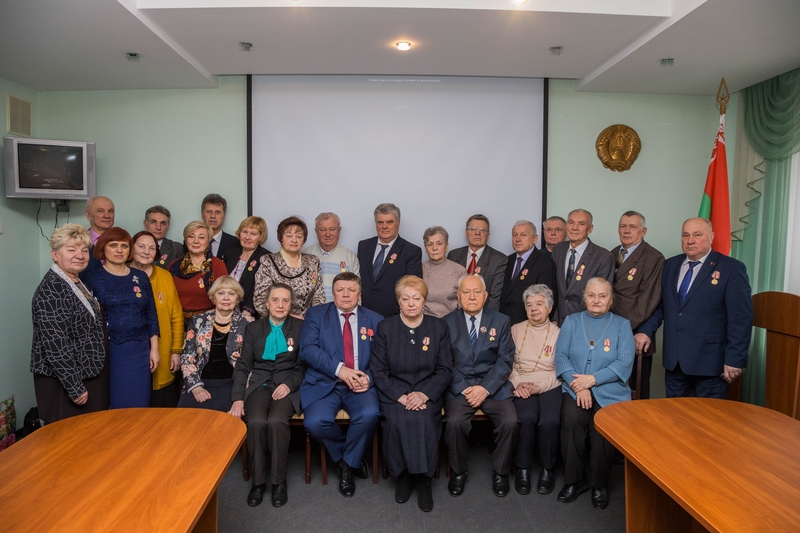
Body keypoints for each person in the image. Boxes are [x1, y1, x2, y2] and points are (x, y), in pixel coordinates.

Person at [639, 218, 753, 399]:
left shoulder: (731, 269)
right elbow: (662, 306)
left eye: (697, 235)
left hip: (711, 364)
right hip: (675, 362)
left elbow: (740, 319)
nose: (690, 240)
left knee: (708, 417)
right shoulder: (670, 265)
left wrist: (735, 359)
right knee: (674, 415)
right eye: (686, 235)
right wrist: (646, 331)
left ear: (711, 237)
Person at [370, 276, 453, 512]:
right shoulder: (386, 328)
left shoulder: (438, 327)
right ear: (398, 301)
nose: (411, 303)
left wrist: (424, 394)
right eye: (405, 298)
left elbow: (445, 369)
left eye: (416, 298)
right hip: (395, 392)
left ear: (424, 300)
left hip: (428, 391)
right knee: (398, 419)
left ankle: (424, 480)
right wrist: (401, 396)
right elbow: (378, 370)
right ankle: (403, 476)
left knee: (424, 419)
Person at [299, 272, 383, 498]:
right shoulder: (316, 315)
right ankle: (350, 458)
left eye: (351, 290)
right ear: (333, 294)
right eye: (340, 290)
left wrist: (369, 378)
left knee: (369, 414)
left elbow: (383, 359)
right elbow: (307, 349)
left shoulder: (375, 319)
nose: (346, 294)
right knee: (315, 422)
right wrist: (340, 370)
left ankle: (346, 465)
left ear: (359, 294)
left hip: (360, 384)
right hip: (325, 382)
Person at [554, 277, 634, 509]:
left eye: (602, 296)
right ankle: (574, 480)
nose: (596, 300)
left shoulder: (622, 325)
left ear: (611, 300)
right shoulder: (571, 322)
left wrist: (592, 380)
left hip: (610, 391)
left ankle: (599, 483)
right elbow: (561, 357)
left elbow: (624, 363)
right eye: (591, 295)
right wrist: (578, 384)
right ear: (584, 298)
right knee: (571, 420)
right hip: (575, 388)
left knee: (602, 427)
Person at [230, 283, 305, 508]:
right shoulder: (254, 328)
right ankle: (259, 482)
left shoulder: (300, 327)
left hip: (287, 383)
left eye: (285, 300)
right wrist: (237, 398)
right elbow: (243, 365)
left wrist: (289, 385)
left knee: (276, 422)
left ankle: (279, 482)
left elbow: (304, 365)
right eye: (275, 300)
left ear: (290, 304)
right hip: (260, 383)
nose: (280, 305)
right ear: (267, 303)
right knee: (255, 422)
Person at [443, 275, 518, 498]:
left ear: (485, 296)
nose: (472, 297)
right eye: (466, 292)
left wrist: (485, 388)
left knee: (510, 422)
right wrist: (465, 387)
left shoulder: (501, 321)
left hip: (493, 385)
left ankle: (500, 472)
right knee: (454, 422)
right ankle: (458, 472)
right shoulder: (446, 323)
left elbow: (505, 359)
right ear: (458, 297)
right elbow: (444, 362)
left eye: (477, 292)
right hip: (461, 386)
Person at [31, 224, 109, 424]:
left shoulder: (74, 281)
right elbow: (55, 344)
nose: (80, 255)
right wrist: (74, 387)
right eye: (71, 249)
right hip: (66, 382)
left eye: (84, 250)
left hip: (87, 374)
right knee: (67, 438)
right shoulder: (51, 290)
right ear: (55, 254)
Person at [81, 227, 159, 409]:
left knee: (139, 403)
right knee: (115, 404)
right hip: (108, 352)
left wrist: (154, 349)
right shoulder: (91, 278)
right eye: (113, 245)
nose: (119, 250)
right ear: (103, 247)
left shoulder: (140, 277)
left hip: (140, 351)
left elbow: (151, 314)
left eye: (124, 246)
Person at [509, 284, 562, 496]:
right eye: (529, 305)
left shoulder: (559, 333)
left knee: (550, 421)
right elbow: (507, 364)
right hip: (521, 383)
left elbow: (561, 369)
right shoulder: (515, 330)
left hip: (549, 383)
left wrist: (540, 387)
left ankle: (547, 469)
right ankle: (522, 468)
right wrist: (518, 383)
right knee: (526, 417)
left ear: (550, 307)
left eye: (539, 304)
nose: (534, 309)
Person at [609, 211, 664, 399]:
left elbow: (647, 301)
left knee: (635, 397)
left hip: (634, 335)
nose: (626, 231)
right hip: (608, 336)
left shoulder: (653, 257)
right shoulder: (611, 254)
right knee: (610, 393)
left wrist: (620, 331)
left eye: (632, 227)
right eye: (622, 226)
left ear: (643, 231)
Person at [129, 231, 185, 407]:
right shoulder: (122, 275)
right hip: (130, 352)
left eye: (152, 248)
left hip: (163, 350)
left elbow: (176, 316)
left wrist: (176, 351)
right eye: (141, 246)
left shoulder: (165, 276)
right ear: (131, 248)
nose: (146, 252)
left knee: (162, 407)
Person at [179, 276, 248, 412]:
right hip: (200, 381)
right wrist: (196, 387)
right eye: (221, 293)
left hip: (232, 384)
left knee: (222, 421)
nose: (226, 298)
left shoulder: (246, 323)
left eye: (231, 293)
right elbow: (187, 357)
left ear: (238, 298)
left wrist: (241, 393)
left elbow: (251, 361)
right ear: (213, 297)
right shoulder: (198, 321)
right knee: (184, 417)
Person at [357, 203, 423, 317]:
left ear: (398, 223)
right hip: (364, 313)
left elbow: (412, 287)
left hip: (393, 316)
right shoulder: (364, 246)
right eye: (380, 222)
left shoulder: (411, 251)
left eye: (389, 222)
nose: (384, 226)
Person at [253, 216, 325, 319]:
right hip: (275, 322)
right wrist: (292, 319)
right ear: (281, 239)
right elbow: (260, 301)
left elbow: (319, 297)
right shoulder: (268, 261)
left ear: (304, 240)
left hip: (307, 321)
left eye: (299, 236)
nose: (294, 240)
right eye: (289, 236)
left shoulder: (313, 261)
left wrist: (309, 319)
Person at [552, 209, 615, 323]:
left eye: (581, 224)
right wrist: (555, 319)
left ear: (590, 229)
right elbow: (555, 290)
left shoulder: (603, 257)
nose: (574, 228)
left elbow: (602, 297)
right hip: (558, 322)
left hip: (586, 323)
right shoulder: (558, 250)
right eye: (571, 222)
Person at [499, 220, 558, 326]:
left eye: (523, 235)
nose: (518, 239)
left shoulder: (545, 263)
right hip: (504, 323)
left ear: (535, 238)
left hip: (529, 325)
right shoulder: (507, 260)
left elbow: (546, 300)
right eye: (515, 235)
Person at [169, 220, 229, 324]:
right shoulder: (174, 266)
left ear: (208, 240)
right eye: (191, 236)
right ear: (186, 240)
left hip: (208, 322)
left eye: (201, 237)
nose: (196, 241)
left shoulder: (218, 265)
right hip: (177, 321)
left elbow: (225, 299)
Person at [447, 214, 507, 311]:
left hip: (483, 314)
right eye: (473, 229)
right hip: (455, 314)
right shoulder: (453, 255)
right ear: (466, 234)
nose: (477, 233)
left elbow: (495, 296)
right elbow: (449, 291)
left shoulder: (499, 259)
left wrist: (488, 318)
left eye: (482, 230)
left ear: (488, 235)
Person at [222, 216, 272, 322]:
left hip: (250, 315)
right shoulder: (229, 254)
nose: (247, 237)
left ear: (260, 237)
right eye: (244, 232)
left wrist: (247, 312)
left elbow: (262, 289)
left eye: (253, 234)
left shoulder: (266, 258)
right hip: (225, 310)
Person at [303, 212, 361, 302]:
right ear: (316, 231)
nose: (328, 234)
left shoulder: (350, 257)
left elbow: (356, 291)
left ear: (339, 230)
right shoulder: (305, 255)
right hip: (312, 309)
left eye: (332, 229)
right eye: (323, 230)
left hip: (339, 310)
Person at [421, 226, 466, 318]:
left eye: (439, 244)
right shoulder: (419, 269)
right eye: (430, 244)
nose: (434, 248)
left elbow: (464, 300)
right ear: (425, 248)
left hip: (452, 320)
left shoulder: (459, 270)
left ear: (446, 247)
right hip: (424, 320)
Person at [84, 196, 115, 274]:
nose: (107, 215)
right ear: (88, 215)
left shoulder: (123, 241)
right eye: (100, 211)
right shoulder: (78, 241)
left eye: (110, 211)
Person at [201, 193, 238, 259]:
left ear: (224, 216)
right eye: (209, 212)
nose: (213, 216)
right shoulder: (191, 242)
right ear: (202, 215)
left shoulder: (235, 243)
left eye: (217, 212)